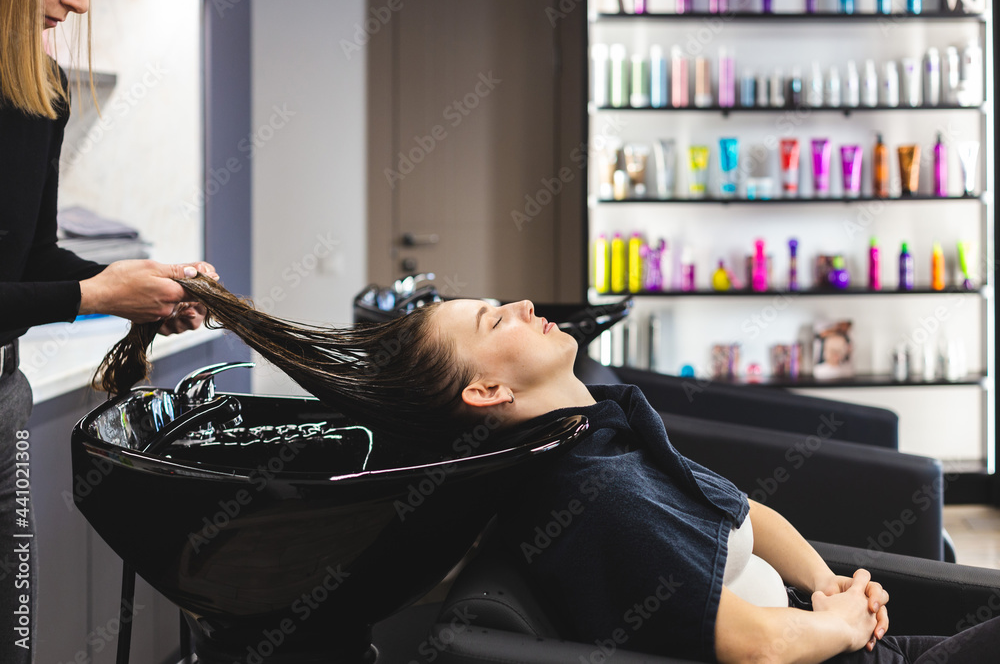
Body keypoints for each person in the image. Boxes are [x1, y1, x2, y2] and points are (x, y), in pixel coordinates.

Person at [96, 279, 1000, 664]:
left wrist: (829, 582)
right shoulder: (586, 492)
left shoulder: (598, 436)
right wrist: (838, 629)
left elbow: (743, 509)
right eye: (498, 317)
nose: (525, 303)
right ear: (487, 388)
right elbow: (754, 646)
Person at [1, 0, 218, 659]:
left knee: (12, 623)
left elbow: (32, 259)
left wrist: (137, 288)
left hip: (3, 393)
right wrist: (95, 291)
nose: (79, 3)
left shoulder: (43, 89)